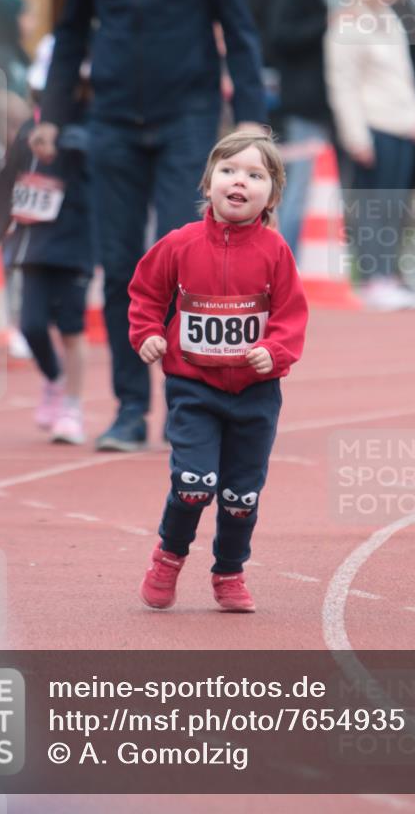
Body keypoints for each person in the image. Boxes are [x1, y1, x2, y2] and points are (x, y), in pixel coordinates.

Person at [30, 0, 267, 453]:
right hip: (109, 121)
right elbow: (73, 28)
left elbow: (237, 26)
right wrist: (52, 114)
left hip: (187, 116)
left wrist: (249, 121)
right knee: (118, 269)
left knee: (183, 262)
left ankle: (189, 404)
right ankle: (131, 409)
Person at [129, 131, 308, 612]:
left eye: (255, 175)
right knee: (194, 484)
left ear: (271, 194)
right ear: (209, 181)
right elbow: (145, 294)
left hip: (255, 394)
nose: (240, 181)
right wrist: (147, 332)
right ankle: (167, 557)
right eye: (229, 171)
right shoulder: (179, 244)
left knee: (239, 496)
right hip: (194, 387)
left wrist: (274, 350)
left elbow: (292, 315)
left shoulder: (276, 252)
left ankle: (229, 572)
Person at [0, 119, 93, 443]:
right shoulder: (27, 134)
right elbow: (7, 187)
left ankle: (72, 407)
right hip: (33, 247)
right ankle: (54, 379)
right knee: (31, 325)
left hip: (74, 247)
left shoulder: (90, 128)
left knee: (71, 331)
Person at [324, 0, 415, 311]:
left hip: (402, 124)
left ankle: (389, 273)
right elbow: (343, 84)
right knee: (371, 206)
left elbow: (403, 74)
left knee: (395, 205)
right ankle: (372, 278)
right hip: (373, 126)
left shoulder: (391, 21)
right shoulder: (347, 25)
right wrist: (356, 136)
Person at [269, 0, 366, 257]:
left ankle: (332, 270)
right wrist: (326, 24)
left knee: (344, 191)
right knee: (299, 190)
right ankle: (283, 267)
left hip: (350, 104)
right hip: (308, 105)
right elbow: (279, 38)